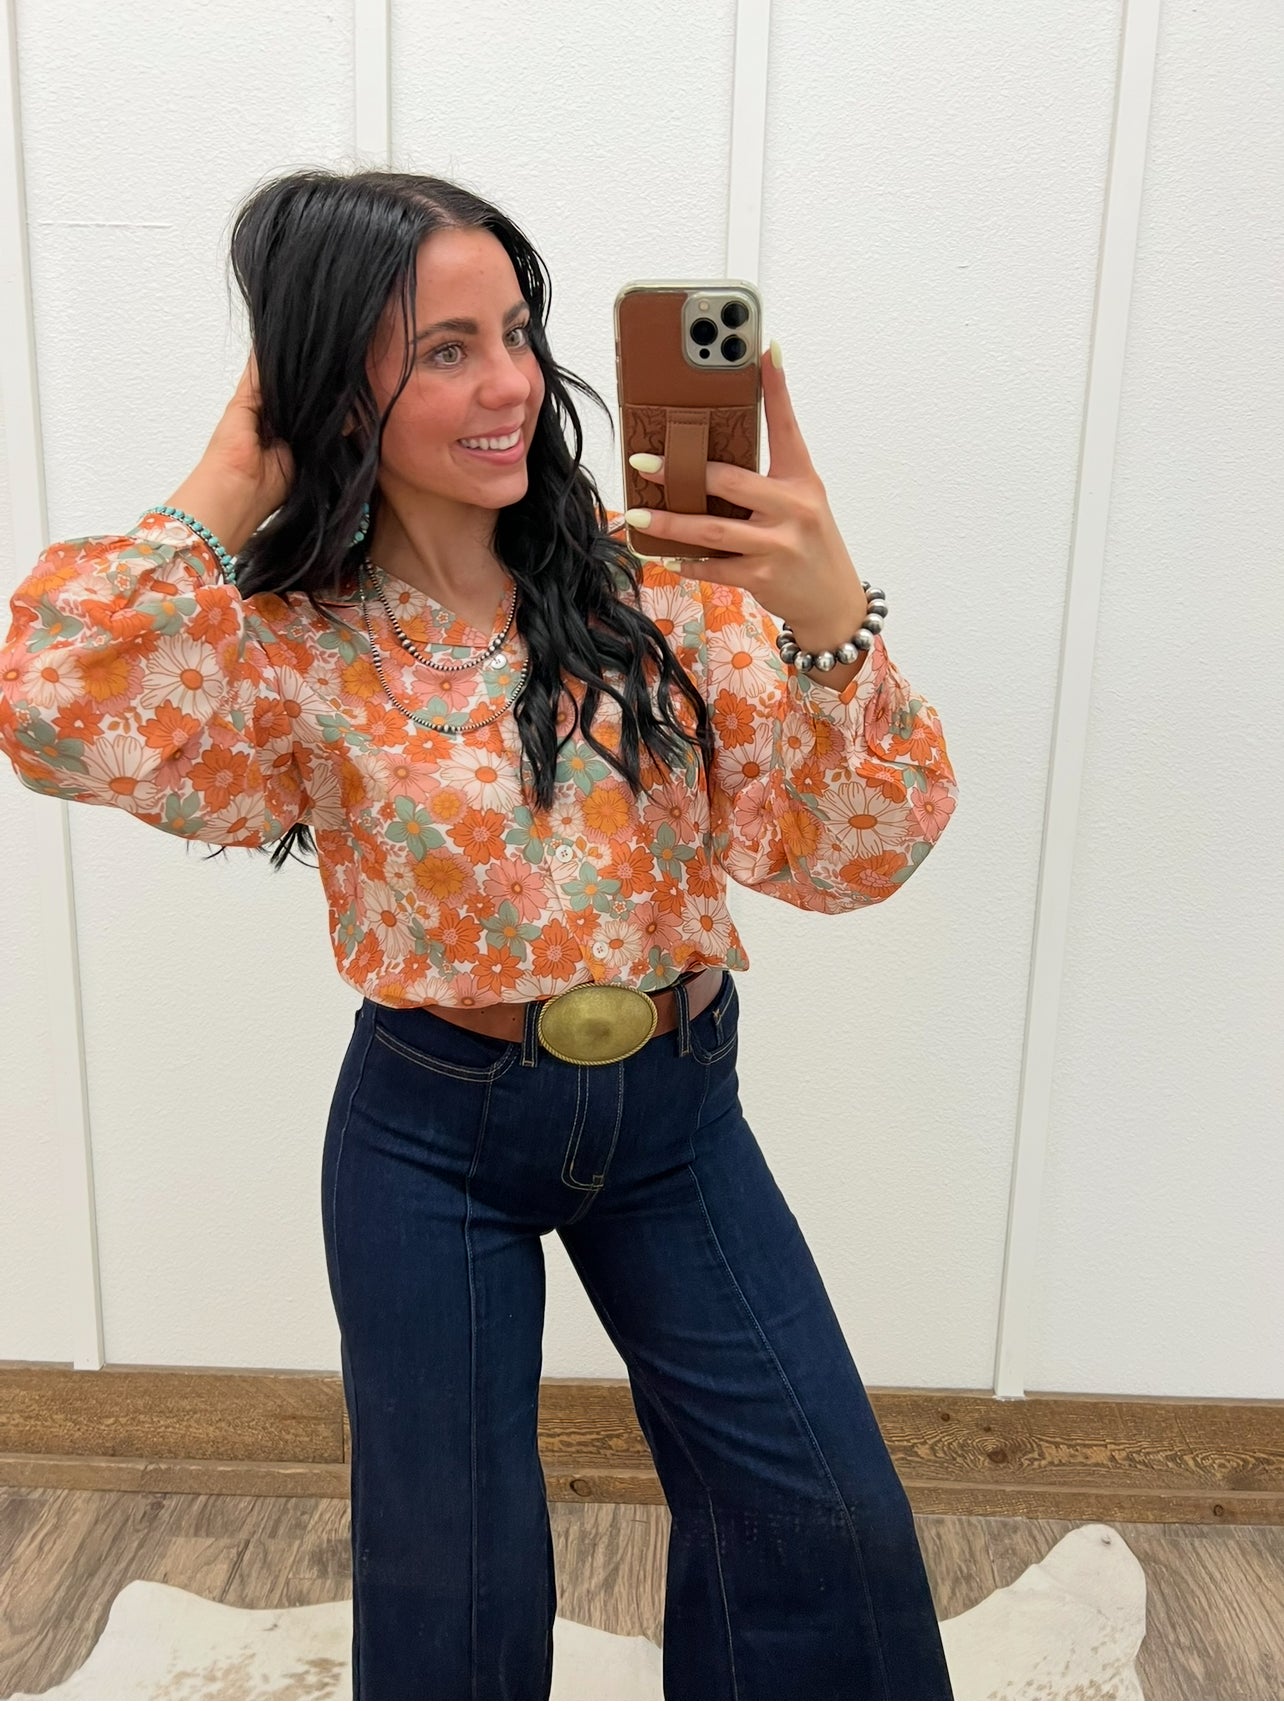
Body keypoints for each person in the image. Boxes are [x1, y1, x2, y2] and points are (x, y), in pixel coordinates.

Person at [0, 168, 959, 1701]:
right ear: (332, 389)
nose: (511, 382)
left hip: (678, 1118)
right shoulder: (289, 647)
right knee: (452, 1581)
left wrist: (834, 624)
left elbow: (855, 859)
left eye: (515, 331)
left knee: (824, 1526)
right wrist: (238, 464)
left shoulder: (665, 588)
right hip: (430, 1137)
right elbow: (50, 706)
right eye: (445, 350)